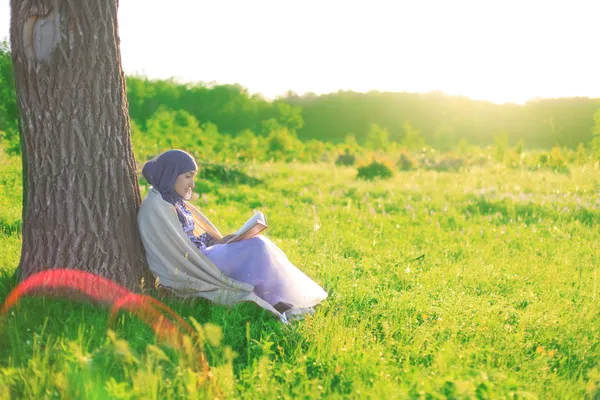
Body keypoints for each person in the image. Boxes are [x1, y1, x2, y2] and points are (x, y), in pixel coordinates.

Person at [137, 150, 327, 321]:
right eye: (188, 177)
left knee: (257, 244)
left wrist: (220, 241)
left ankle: (278, 299)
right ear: (171, 174)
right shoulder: (156, 206)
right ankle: (276, 300)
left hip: (203, 255)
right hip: (197, 264)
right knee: (257, 247)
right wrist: (219, 246)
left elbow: (188, 239)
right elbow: (176, 251)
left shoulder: (173, 200)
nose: (192, 184)